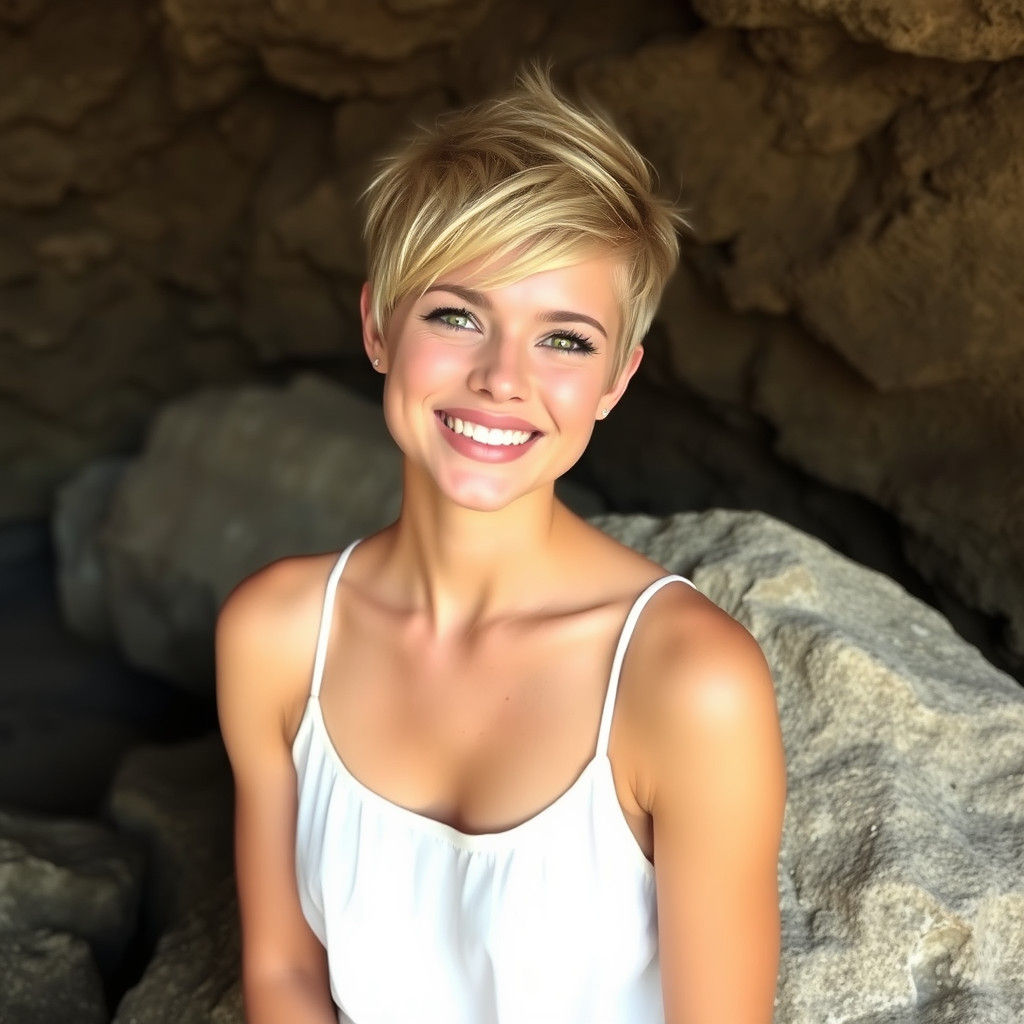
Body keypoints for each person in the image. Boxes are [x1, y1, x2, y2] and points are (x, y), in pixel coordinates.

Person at [215, 65, 787, 1024]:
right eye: (457, 315)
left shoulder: (689, 681)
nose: (501, 378)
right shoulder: (274, 633)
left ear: (616, 380)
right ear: (377, 328)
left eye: (564, 340)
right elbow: (283, 977)